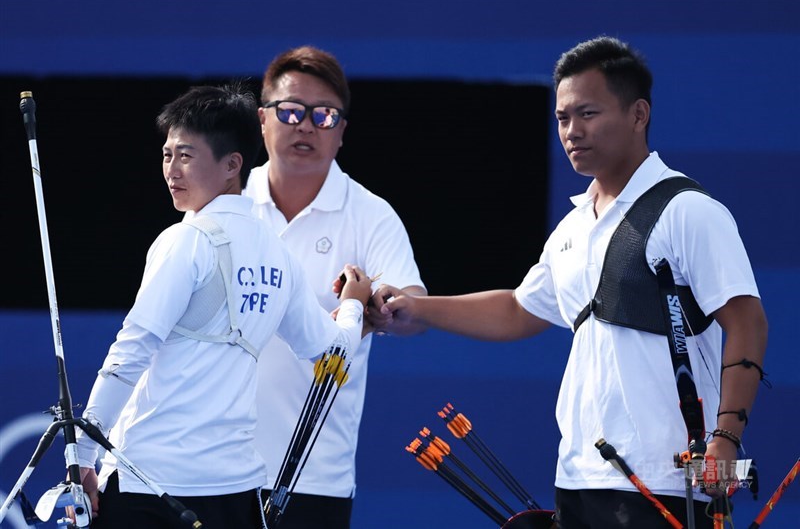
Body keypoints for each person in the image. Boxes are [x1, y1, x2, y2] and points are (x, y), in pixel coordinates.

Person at [379, 36, 768, 528]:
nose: (571, 131)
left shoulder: (687, 210)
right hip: (579, 476)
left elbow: (748, 321)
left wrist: (725, 440)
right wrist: (417, 308)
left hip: (666, 482)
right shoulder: (573, 226)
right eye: (562, 118)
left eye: (587, 113)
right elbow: (520, 310)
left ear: (638, 114)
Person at [72, 84, 373, 528]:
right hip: (235, 498)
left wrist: (82, 457)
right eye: (167, 154)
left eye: (187, 156)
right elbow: (334, 355)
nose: (172, 170)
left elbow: (130, 351)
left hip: (150, 488)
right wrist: (352, 307)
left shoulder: (184, 239)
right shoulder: (279, 257)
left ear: (233, 164)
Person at [243, 45, 427, 528]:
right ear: (263, 120)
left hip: (313, 474)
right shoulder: (227, 204)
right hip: (214, 465)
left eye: (324, 115)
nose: (306, 125)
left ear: (341, 131)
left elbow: (413, 303)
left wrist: (380, 304)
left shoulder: (370, 214)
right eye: (289, 111)